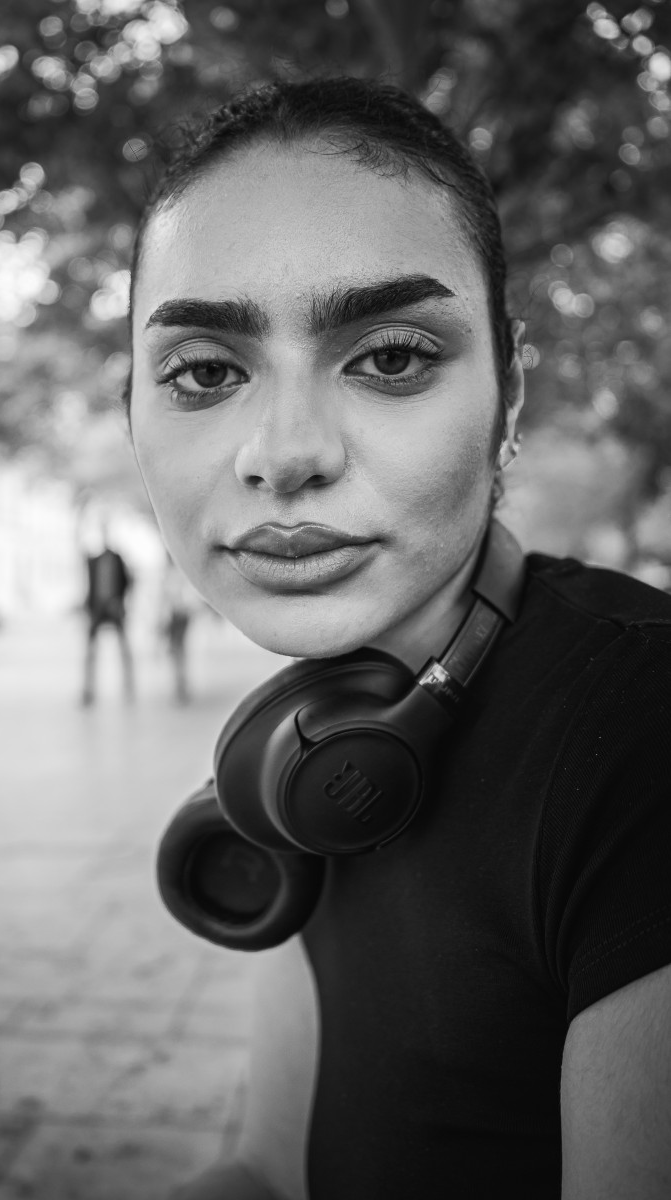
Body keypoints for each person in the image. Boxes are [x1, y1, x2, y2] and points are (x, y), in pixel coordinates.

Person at [124, 77, 671, 1199]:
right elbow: (270, 1174)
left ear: (508, 398)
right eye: (204, 373)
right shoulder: (309, 744)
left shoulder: (644, 733)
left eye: (387, 357)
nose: (283, 452)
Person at [81, 514, 135, 705]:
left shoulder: (118, 558)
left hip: (114, 607)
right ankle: (88, 691)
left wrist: (120, 601)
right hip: (97, 609)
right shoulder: (93, 560)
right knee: (90, 651)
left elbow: (128, 581)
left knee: (124, 649)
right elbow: (90, 585)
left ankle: (129, 688)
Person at [157, 550, 203, 704]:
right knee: (177, 650)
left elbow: (180, 597)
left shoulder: (174, 573)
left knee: (177, 649)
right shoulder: (172, 573)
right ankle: (179, 684)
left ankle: (181, 684)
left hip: (179, 616)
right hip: (175, 616)